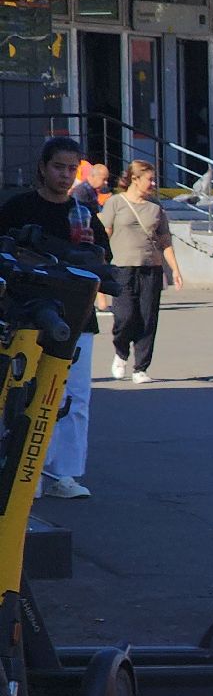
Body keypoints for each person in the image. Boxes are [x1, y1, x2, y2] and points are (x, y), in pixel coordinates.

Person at [0, 136, 110, 500]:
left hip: (77, 315)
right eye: (58, 167)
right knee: (24, 391)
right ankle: (23, 470)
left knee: (74, 397)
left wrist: (89, 248)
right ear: (42, 169)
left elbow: (103, 261)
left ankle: (64, 472)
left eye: (71, 168)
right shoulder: (17, 208)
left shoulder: (83, 213)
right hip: (27, 316)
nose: (65, 175)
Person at [99, 160, 185, 384]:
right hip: (122, 267)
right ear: (135, 179)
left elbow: (166, 241)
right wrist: (99, 262)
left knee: (147, 319)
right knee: (125, 316)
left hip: (151, 268)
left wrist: (175, 269)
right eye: (150, 179)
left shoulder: (155, 207)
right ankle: (120, 352)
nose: (153, 183)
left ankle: (140, 368)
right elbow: (104, 233)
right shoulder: (115, 203)